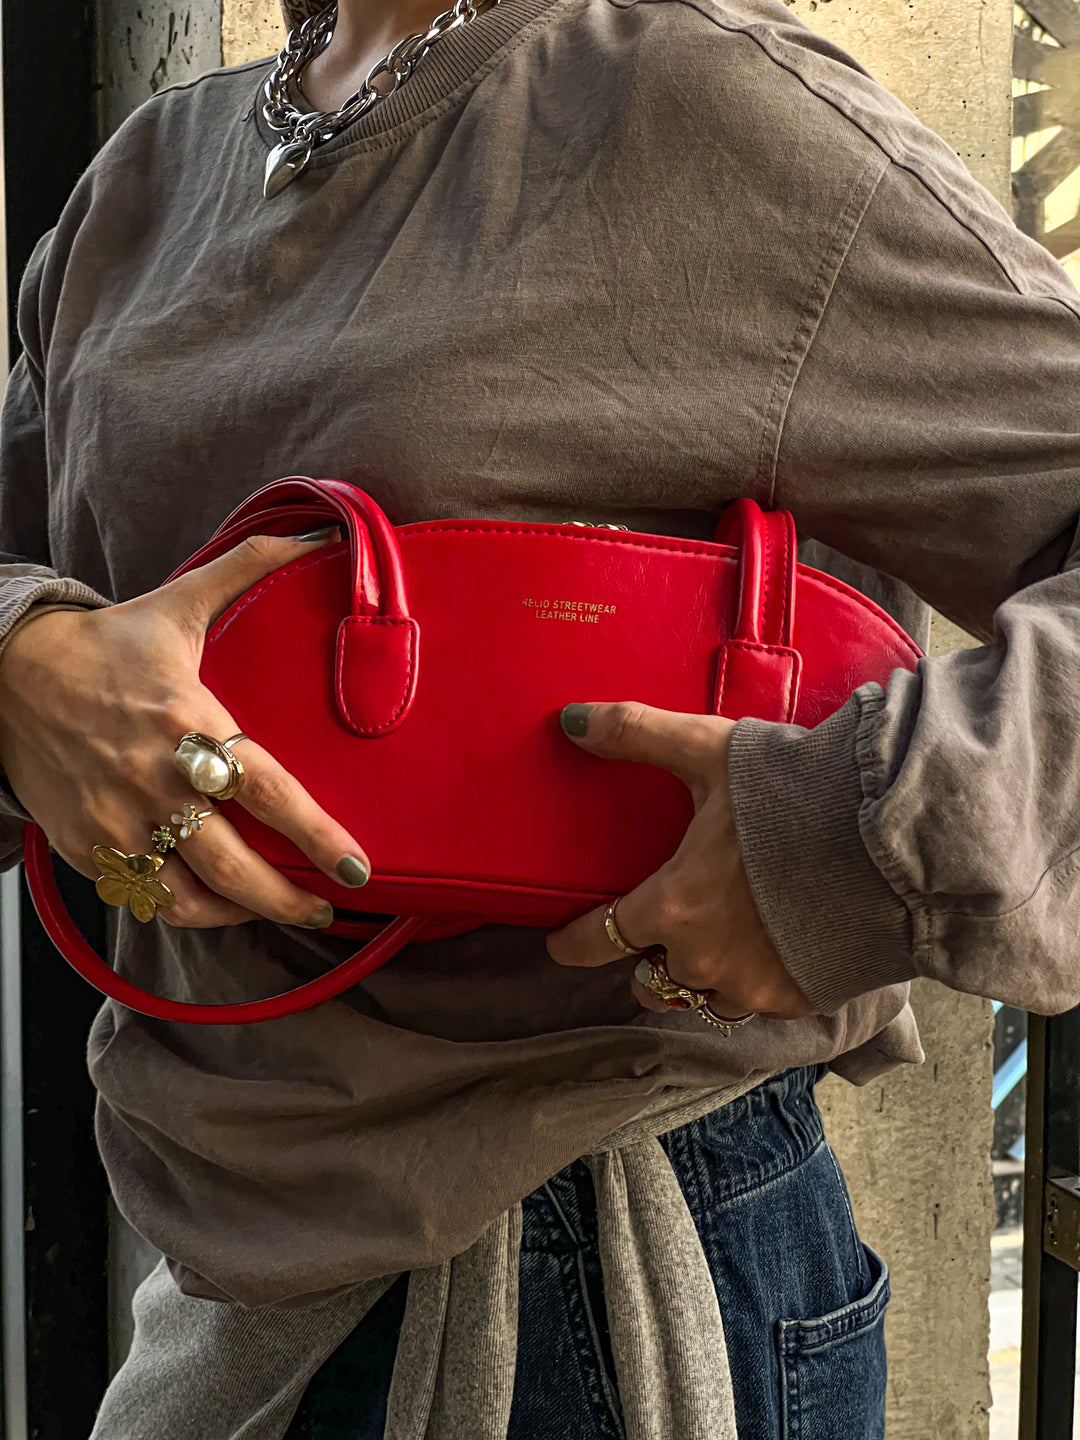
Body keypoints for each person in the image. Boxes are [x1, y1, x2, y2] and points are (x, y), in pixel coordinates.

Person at [0, 0, 1076, 1433]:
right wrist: (25, 660)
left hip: (592, 1274)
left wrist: (852, 840)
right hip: (215, 1269)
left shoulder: (701, 102)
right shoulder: (151, 177)